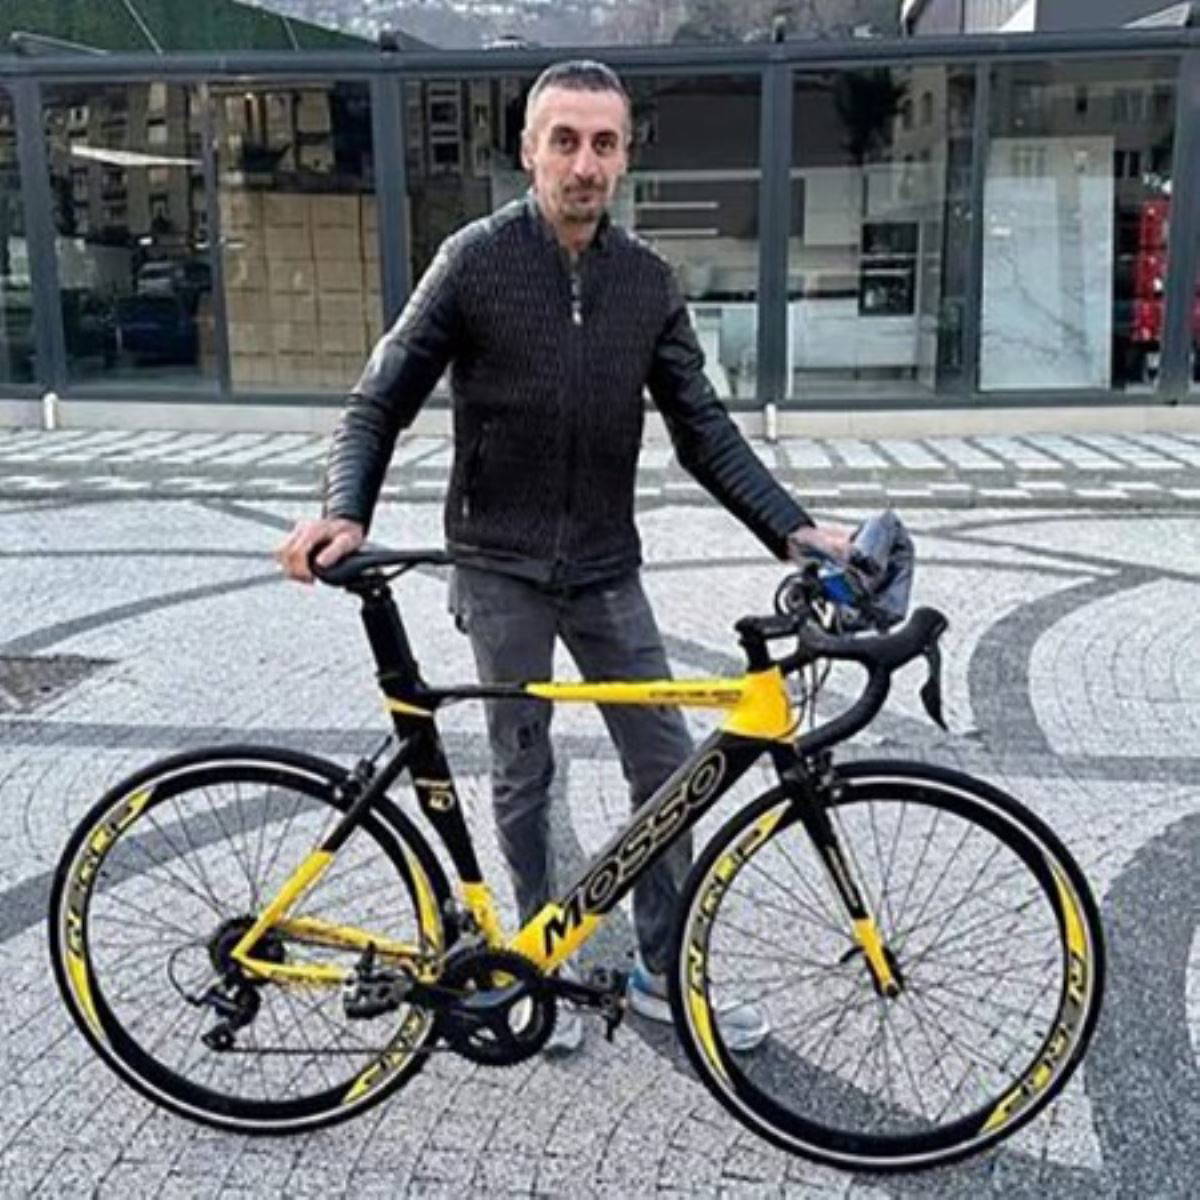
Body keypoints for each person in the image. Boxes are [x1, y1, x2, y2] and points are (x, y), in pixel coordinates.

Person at [277, 59, 850, 1055]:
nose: (585, 163)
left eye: (604, 143)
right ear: (530, 151)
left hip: (604, 567)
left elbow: (705, 432)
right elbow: (379, 397)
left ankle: (663, 970)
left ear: (625, 157)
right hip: (497, 565)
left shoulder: (646, 282)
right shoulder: (474, 261)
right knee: (523, 770)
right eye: (565, 141)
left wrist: (795, 531)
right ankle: (529, 965)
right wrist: (345, 510)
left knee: (668, 767)